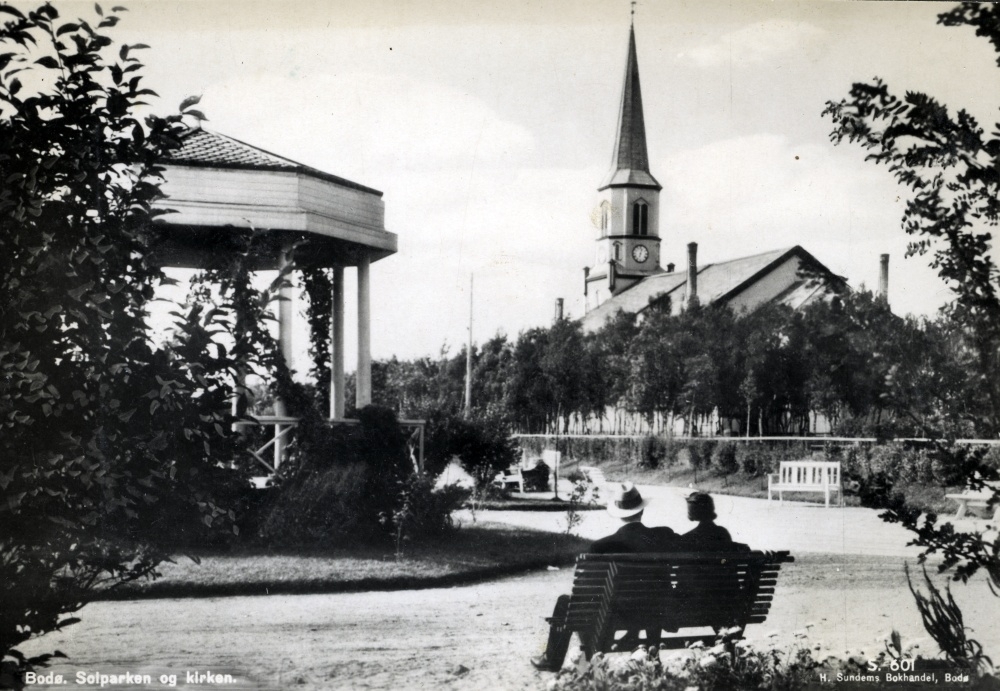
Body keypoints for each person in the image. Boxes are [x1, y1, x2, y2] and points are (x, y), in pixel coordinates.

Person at [530, 482, 676, 672]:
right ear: (641, 510)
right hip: (656, 610)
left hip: (616, 612)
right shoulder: (662, 537)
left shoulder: (602, 546)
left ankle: (552, 660)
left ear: (618, 512)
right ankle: (653, 657)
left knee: (565, 602)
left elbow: (586, 590)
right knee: (649, 597)